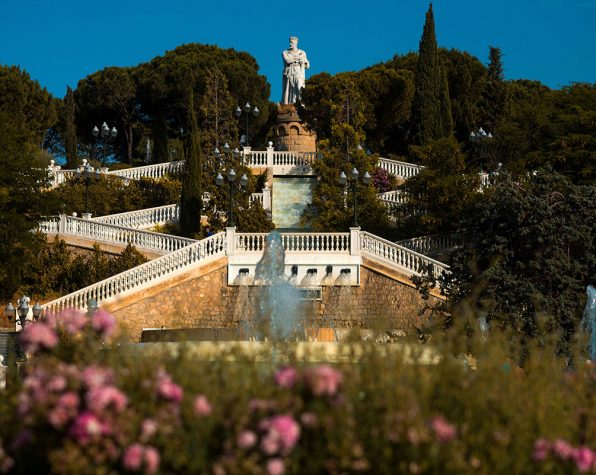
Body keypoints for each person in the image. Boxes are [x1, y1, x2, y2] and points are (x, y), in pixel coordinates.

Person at [281, 36, 310, 105]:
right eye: (290, 42)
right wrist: (299, 57)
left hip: (298, 72)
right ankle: (287, 106)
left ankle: (300, 105)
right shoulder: (285, 52)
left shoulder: (302, 52)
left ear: (296, 44)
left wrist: (305, 62)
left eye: (292, 43)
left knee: (299, 88)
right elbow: (288, 61)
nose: (290, 44)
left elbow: (307, 65)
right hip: (288, 72)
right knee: (287, 90)